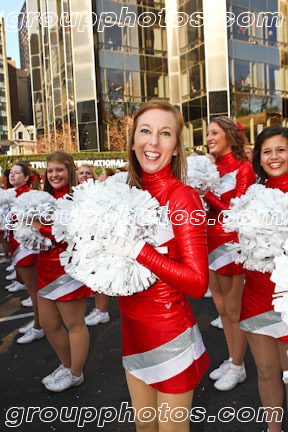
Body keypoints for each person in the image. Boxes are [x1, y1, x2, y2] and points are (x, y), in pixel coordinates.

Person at [114, 99, 209, 432]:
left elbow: (198, 283)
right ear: (133, 140)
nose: (153, 142)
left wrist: (140, 250)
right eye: (145, 131)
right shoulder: (122, 193)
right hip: (131, 332)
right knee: (144, 429)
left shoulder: (183, 198)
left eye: (165, 133)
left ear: (176, 148)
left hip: (171, 337)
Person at [199, 117, 255, 391]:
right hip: (208, 241)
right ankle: (234, 358)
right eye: (207, 133)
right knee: (221, 308)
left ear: (230, 137)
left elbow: (236, 212)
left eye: (214, 133)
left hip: (231, 243)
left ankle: (238, 366)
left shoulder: (244, 168)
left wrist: (206, 194)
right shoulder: (210, 168)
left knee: (234, 310)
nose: (209, 137)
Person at [239, 125, 288, 432]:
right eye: (267, 151)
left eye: (281, 150)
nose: (274, 157)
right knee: (266, 370)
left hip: (286, 296)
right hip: (256, 292)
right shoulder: (252, 194)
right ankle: (273, 428)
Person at [31, 151, 93, 392]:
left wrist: (37, 226)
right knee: (48, 323)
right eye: (50, 170)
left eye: (59, 169)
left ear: (70, 171)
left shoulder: (78, 198)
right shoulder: (43, 198)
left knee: (74, 323)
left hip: (68, 268)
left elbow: (69, 236)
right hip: (45, 266)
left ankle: (76, 373)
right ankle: (67, 365)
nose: (54, 174)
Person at [8, 163, 44, 343]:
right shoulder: (12, 194)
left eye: (17, 173)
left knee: (34, 291)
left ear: (26, 177)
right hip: (17, 245)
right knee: (31, 291)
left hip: (26, 248)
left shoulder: (28, 196)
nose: (12, 176)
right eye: (11, 173)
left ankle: (39, 326)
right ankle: (37, 321)